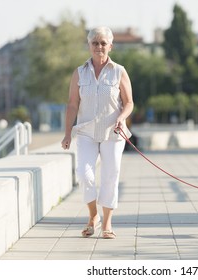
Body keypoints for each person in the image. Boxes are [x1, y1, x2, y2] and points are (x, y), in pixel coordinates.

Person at [61, 27, 134, 239]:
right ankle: (93, 216)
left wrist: (122, 117)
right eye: (95, 43)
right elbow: (72, 105)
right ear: (89, 46)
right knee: (84, 174)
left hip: (113, 133)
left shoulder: (119, 71)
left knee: (111, 176)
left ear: (110, 46)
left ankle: (107, 223)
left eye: (103, 43)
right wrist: (67, 134)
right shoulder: (79, 72)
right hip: (85, 132)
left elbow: (129, 103)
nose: (99, 47)